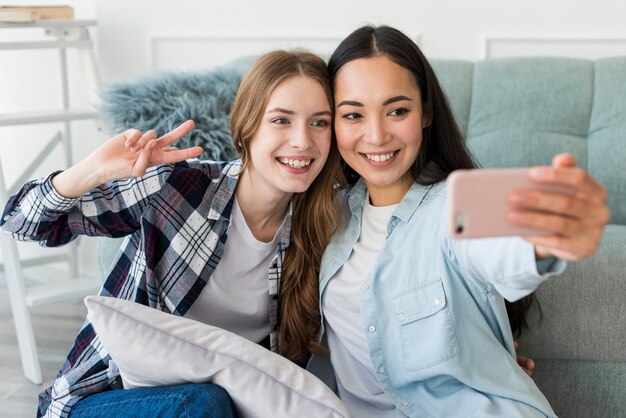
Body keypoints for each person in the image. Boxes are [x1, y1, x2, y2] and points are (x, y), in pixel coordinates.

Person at [0, 49, 343, 418]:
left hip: (227, 407)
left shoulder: (326, 226)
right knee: (201, 402)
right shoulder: (178, 187)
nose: (302, 141)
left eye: (319, 123)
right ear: (248, 126)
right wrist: (91, 171)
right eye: (281, 120)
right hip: (109, 400)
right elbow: (21, 221)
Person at [318, 25, 610, 418]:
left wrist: (553, 233)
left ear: (426, 114)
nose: (376, 135)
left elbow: (504, 247)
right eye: (353, 114)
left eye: (398, 110)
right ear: (331, 123)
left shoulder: (457, 205)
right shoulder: (325, 214)